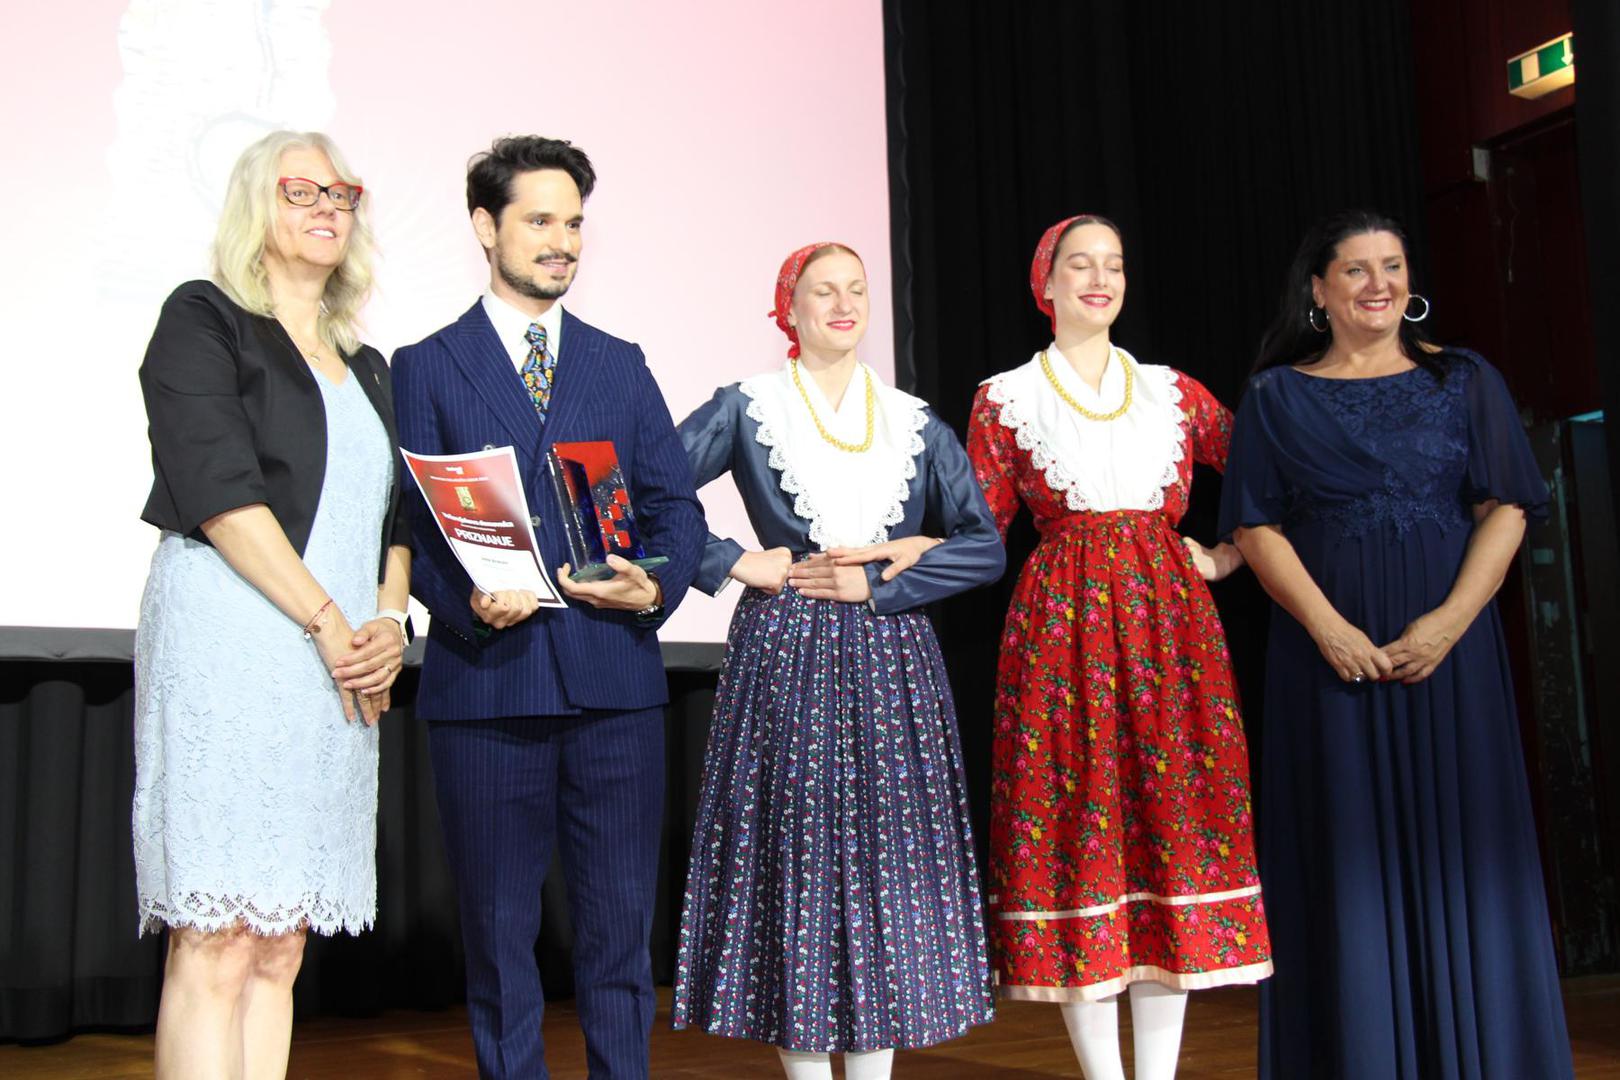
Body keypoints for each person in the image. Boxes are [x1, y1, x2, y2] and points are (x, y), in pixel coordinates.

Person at [1219, 209, 1573, 1079]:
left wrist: (1450, 622)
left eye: (1392, 265)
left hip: (1451, 656)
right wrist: (1330, 629)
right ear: (1319, 290)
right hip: (1325, 663)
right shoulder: (1276, 396)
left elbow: (1508, 508)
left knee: (1467, 850)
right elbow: (1256, 528)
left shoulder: (1466, 379)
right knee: (1347, 861)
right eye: (1356, 269)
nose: (1378, 283)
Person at [391, 136, 707, 1080]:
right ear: (485, 228)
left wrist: (656, 582)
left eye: (572, 223)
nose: (562, 241)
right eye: (539, 220)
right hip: (488, 688)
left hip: (616, 686)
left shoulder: (619, 361)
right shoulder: (426, 364)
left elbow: (675, 508)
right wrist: (464, 601)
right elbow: (410, 521)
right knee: (497, 940)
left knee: (619, 938)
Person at [671, 243, 1004, 1080]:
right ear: (789, 307)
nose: (844, 303)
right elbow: (646, 492)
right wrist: (731, 561)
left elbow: (985, 545)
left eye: (856, 288)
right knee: (799, 863)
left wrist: (891, 576)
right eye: (824, 290)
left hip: (892, 659)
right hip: (787, 651)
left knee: (885, 870)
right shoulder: (749, 406)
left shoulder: (913, 420)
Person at [966, 216, 1273, 1080]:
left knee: (1169, 832)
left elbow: (1266, 469)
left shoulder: (1173, 391)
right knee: (1079, 841)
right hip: (1060, 634)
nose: (1100, 279)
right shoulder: (1005, 398)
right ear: (1046, 284)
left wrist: (1228, 554)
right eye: (1080, 265)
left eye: (1114, 265)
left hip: (1170, 630)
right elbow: (976, 527)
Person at [133, 130, 411, 1079]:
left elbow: (397, 521)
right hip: (234, 643)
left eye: (342, 193)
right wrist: (332, 624)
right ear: (257, 206)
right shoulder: (205, 318)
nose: (328, 206)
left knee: (282, 942)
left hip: (337, 667)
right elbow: (220, 495)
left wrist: (387, 623)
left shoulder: (368, 365)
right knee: (216, 937)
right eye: (302, 191)